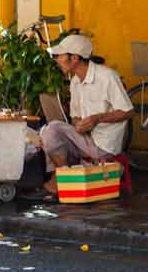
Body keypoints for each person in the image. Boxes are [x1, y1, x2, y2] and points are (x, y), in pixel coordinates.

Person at [40, 34, 132, 198]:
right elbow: (75, 116)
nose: (56, 59)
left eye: (60, 55)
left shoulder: (108, 76)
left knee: (52, 128)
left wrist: (97, 118)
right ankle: (66, 175)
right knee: (48, 132)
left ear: (74, 58)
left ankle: (61, 179)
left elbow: (128, 111)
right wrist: (79, 125)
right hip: (85, 141)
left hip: (105, 146)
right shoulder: (75, 82)